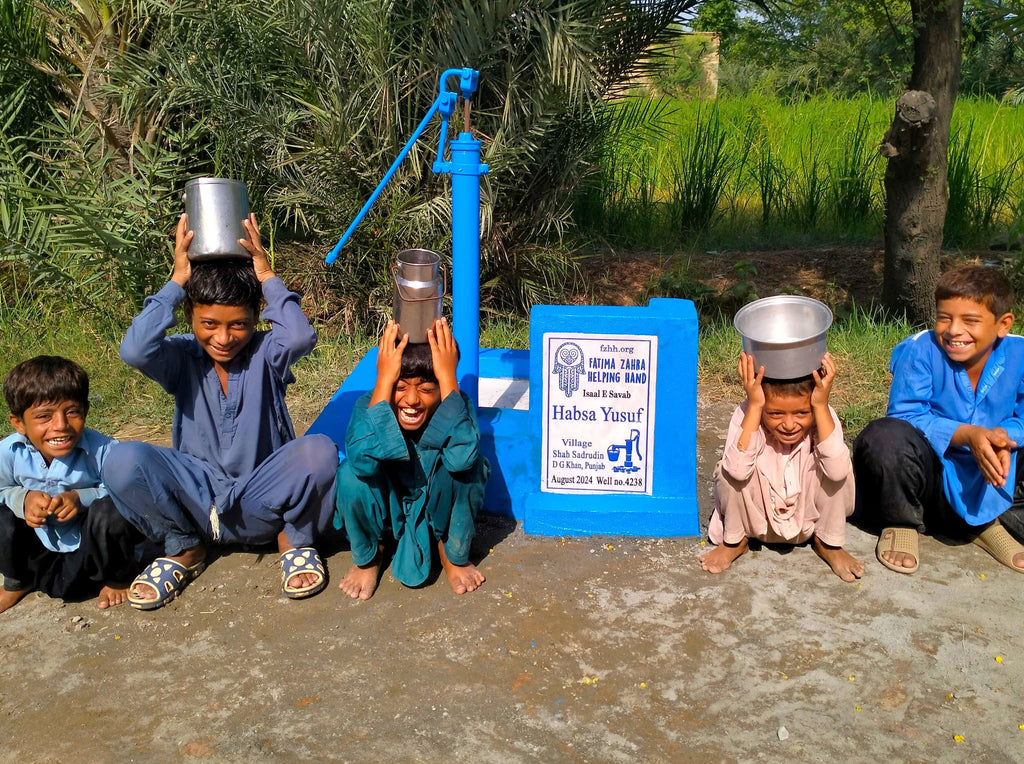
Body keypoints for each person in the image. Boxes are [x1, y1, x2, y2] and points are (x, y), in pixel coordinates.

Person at [101, 213, 338, 610]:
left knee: (320, 452)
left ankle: (292, 540)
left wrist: (266, 274)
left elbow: (300, 335)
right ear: (190, 314)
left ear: (255, 318)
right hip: (195, 500)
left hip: (259, 502)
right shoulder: (181, 356)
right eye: (208, 323)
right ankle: (184, 547)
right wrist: (177, 282)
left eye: (239, 325)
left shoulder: (267, 352)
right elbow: (134, 350)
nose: (224, 338)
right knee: (120, 460)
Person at [854, 264, 1024, 575]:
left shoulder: (1020, 354)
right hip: (932, 482)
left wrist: (1003, 436)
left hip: (994, 474)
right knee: (884, 436)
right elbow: (906, 415)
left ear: (1003, 324)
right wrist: (967, 434)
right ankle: (902, 521)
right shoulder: (920, 349)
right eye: (944, 317)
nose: (954, 330)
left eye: (970, 320)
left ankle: (986, 522)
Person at [335, 317, 489, 600]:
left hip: (437, 514)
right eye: (400, 387)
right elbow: (361, 463)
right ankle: (370, 556)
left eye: (427, 389)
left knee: (473, 467)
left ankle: (451, 553)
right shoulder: (368, 404)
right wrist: (384, 381)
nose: (412, 400)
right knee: (349, 475)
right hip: (386, 519)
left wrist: (447, 377)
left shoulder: (457, 403)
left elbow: (463, 459)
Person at [0, 356, 154, 612]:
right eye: (44, 416)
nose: (60, 426)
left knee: (112, 511)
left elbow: (129, 493)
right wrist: (22, 499)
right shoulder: (8, 452)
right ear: (18, 423)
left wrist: (80, 499)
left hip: (94, 551)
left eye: (72, 412)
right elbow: (2, 489)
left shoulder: (104, 451)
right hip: (39, 549)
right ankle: (17, 580)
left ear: (86, 410)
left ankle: (118, 578)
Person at [700, 350, 864, 582]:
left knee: (839, 464)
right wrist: (756, 406)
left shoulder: (822, 413)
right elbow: (736, 470)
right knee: (729, 470)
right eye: (775, 413)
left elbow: (837, 472)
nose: (789, 424)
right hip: (758, 523)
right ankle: (734, 541)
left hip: (808, 522)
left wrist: (820, 405)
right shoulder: (747, 412)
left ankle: (829, 544)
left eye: (801, 413)